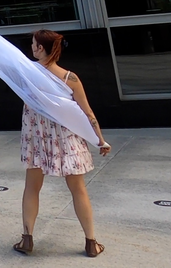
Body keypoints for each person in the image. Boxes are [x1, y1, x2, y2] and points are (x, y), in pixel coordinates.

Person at [13, 30, 112, 258]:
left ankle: (27, 238)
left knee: (32, 188)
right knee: (78, 189)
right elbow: (88, 113)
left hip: (37, 140)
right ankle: (91, 242)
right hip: (67, 141)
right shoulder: (70, 78)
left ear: (40, 48)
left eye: (34, 44)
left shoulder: (28, 73)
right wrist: (100, 140)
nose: (32, 47)